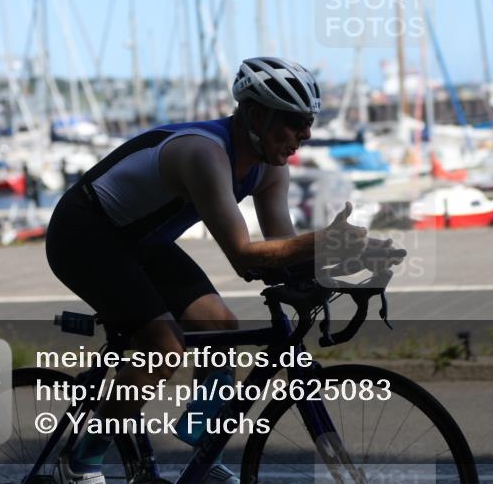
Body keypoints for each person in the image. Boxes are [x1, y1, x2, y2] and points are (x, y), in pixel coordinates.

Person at [45, 57, 404, 484]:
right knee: (163, 347)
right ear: (256, 115)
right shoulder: (202, 153)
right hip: (84, 234)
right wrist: (324, 241)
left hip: (142, 243)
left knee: (219, 326)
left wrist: (347, 264)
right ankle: (81, 460)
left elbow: (280, 254)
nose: (305, 135)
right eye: (293, 122)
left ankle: (204, 452)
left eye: (308, 122)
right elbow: (244, 255)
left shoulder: (271, 168)